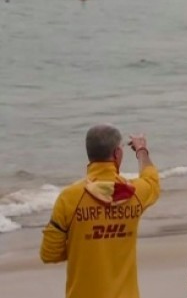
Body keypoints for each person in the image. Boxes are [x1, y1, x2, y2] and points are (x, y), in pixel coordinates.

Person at [40, 125, 160, 298]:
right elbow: (152, 180)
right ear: (117, 153)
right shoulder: (135, 193)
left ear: (89, 153)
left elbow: (49, 254)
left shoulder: (69, 198)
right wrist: (141, 149)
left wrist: (84, 244)